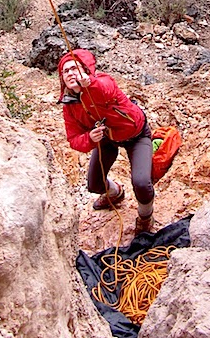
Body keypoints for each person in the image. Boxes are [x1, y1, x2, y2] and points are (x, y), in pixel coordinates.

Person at [58, 48, 155, 234]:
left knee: (141, 182)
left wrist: (90, 83)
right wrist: (89, 138)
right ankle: (115, 192)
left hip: (136, 134)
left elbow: (106, 90)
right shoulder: (69, 104)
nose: (70, 73)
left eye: (74, 68)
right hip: (107, 138)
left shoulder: (101, 81)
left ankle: (145, 216)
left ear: (86, 70)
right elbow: (73, 138)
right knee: (94, 185)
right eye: (66, 71)